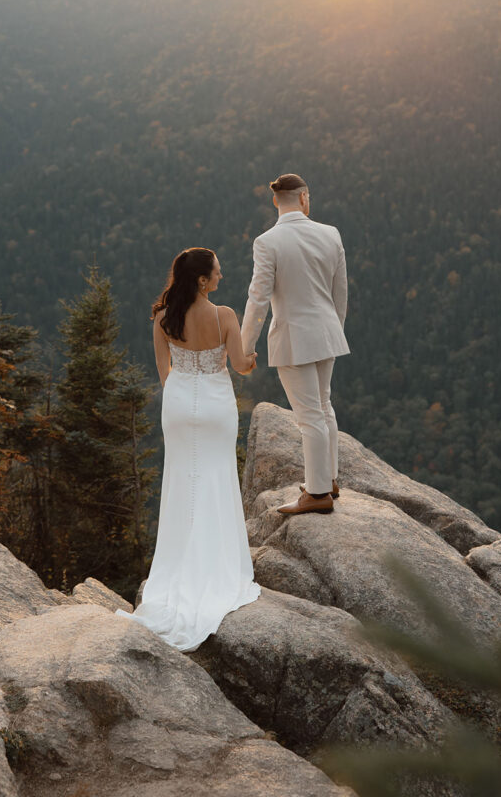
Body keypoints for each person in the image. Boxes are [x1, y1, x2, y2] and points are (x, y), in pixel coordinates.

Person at [115, 247, 260, 651]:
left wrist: (184, 396)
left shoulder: (163, 317)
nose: (221, 275)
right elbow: (240, 366)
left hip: (178, 405)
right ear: (201, 280)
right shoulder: (224, 316)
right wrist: (251, 358)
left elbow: (165, 373)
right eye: (216, 271)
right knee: (216, 477)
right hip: (215, 404)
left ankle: (179, 565)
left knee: (182, 480)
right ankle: (215, 564)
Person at [241, 173, 350, 515]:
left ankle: (317, 494)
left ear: (276, 200)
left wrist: (245, 348)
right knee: (324, 406)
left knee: (309, 418)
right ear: (304, 197)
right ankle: (328, 480)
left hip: (292, 337)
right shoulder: (330, 234)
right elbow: (340, 292)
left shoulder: (267, 242)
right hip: (327, 333)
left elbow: (258, 299)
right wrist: (334, 329)